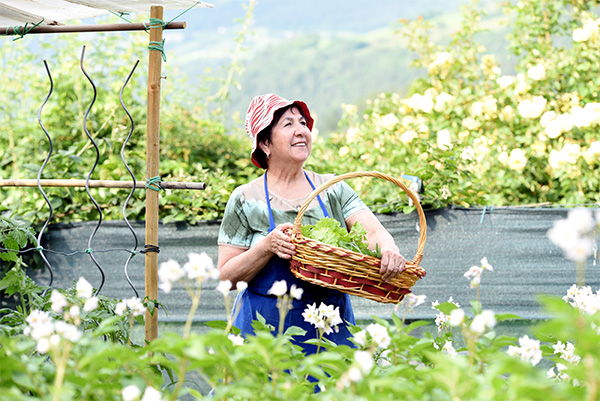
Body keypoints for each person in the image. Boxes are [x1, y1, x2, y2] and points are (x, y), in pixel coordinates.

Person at [217, 93, 406, 354]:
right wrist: (266, 247)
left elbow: (372, 231)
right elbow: (226, 277)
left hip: (329, 328)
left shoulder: (332, 189)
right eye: (288, 124)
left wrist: (388, 249)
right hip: (262, 331)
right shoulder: (245, 198)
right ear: (264, 143)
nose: (301, 131)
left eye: (303, 123)